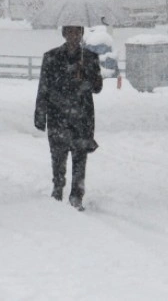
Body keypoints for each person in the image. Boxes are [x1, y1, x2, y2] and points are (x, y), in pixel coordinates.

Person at [34, 25, 103, 211]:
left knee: (80, 157)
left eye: (77, 32)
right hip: (58, 114)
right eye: (70, 32)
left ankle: (76, 195)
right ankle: (58, 188)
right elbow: (44, 87)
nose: (74, 36)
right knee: (58, 156)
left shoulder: (89, 58)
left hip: (82, 117)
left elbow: (97, 87)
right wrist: (40, 115)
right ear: (64, 34)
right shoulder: (51, 57)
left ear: (81, 34)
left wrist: (86, 74)